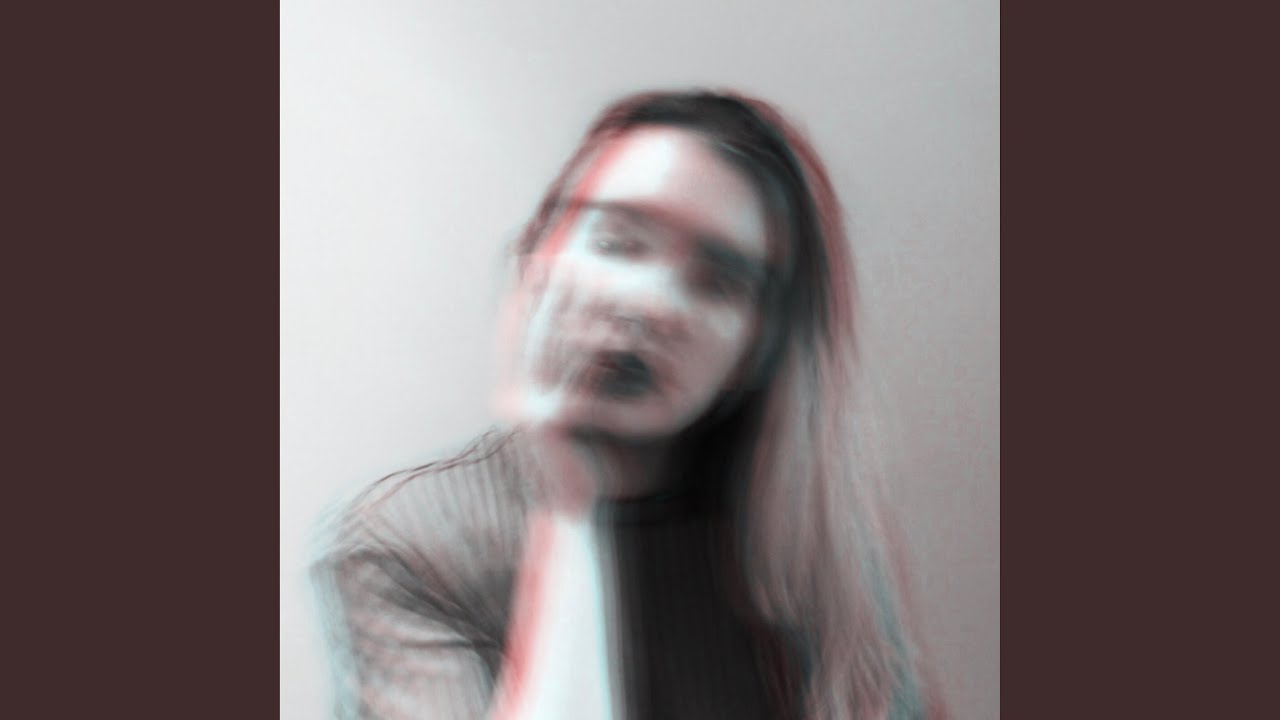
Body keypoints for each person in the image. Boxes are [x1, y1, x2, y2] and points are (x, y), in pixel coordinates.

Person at [312, 89, 948, 720]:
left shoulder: (805, 540)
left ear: (756, 352)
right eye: (616, 242)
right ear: (534, 260)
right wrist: (570, 508)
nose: (652, 304)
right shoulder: (406, 544)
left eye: (719, 281)